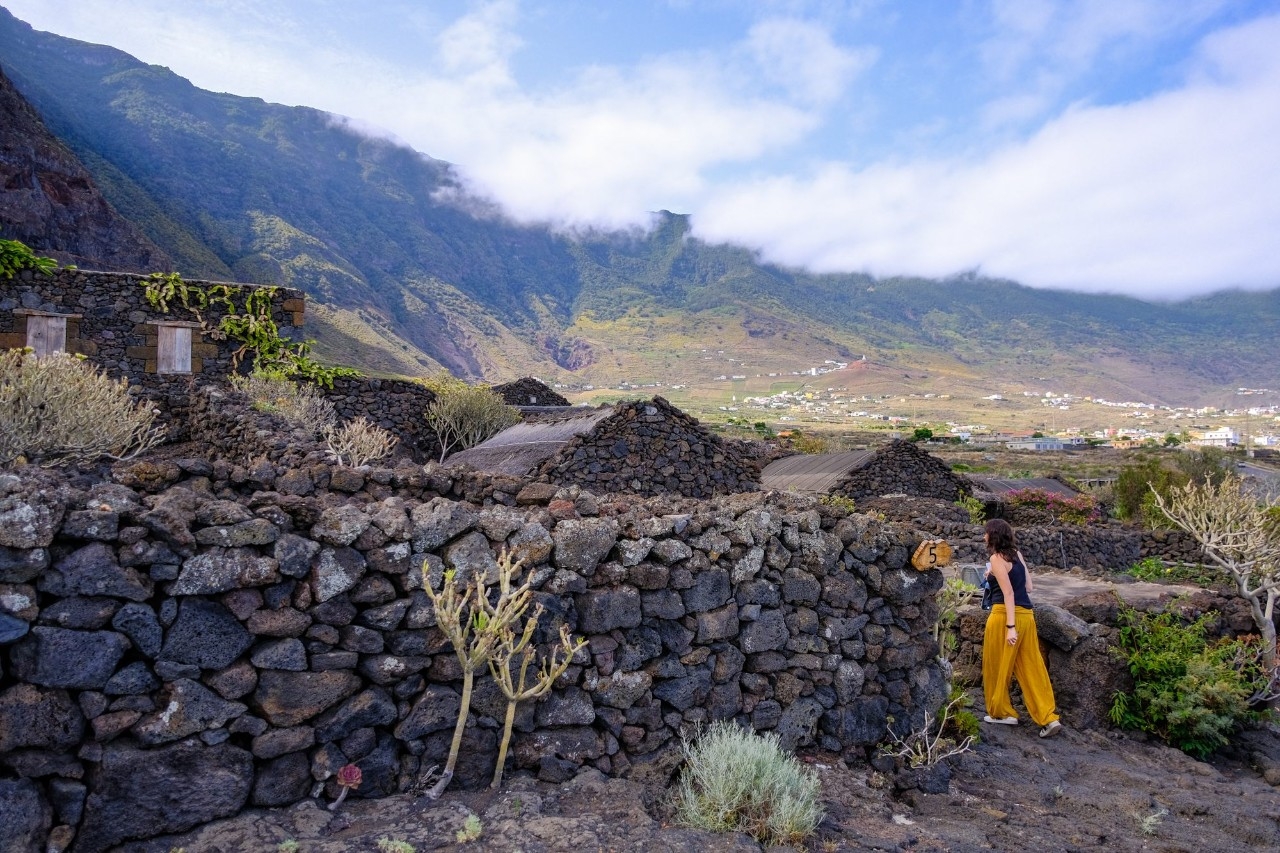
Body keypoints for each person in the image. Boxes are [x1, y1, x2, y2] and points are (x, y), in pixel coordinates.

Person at [980, 518, 1063, 738]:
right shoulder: (1017, 555)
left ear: (994, 535)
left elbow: (1008, 594)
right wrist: (994, 577)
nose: (984, 536)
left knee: (996, 665)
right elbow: (1028, 586)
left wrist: (1010, 627)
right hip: (1027, 616)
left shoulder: (996, 559)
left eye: (986, 533)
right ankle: (1048, 717)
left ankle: (1001, 712)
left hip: (1003, 616)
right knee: (1031, 666)